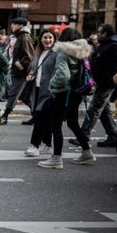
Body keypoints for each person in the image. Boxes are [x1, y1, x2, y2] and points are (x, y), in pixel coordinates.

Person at [38, 28, 95, 169]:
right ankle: (87, 153)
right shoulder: (83, 51)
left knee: (55, 125)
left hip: (63, 94)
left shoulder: (63, 52)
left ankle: (56, 158)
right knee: (73, 123)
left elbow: (63, 76)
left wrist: (52, 86)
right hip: (77, 93)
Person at [74, 24, 117, 147]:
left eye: (99, 32)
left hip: (106, 84)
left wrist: (104, 82)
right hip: (99, 82)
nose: (97, 34)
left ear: (105, 33)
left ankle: (83, 136)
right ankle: (113, 136)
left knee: (94, 108)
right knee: (104, 111)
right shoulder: (104, 45)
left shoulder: (114, 46)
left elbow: (115, 68)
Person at [24, 29, 57, 157]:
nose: (47, 40)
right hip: (37, 90)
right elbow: (34, 68)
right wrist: (31, 74)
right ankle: (47, 145)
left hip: (49, 92)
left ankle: (34, 145)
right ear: (41, 39)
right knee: (47, 120)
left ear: (54, 39)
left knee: (39, 119)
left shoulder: (56, 54)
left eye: (50, 38)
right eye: (45, 37)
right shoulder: (39, 52)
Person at [1, 17, 34, 124]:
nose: (12, 26)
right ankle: (37, 115)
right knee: (24, 96)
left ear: (20, 25)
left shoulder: (24, 37)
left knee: (13, 93)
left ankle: (4, 116)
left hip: (21, 72)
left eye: (14, 24)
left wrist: (18, 64)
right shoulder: (18, 36)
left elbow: (29, 56)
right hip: (18, 71)